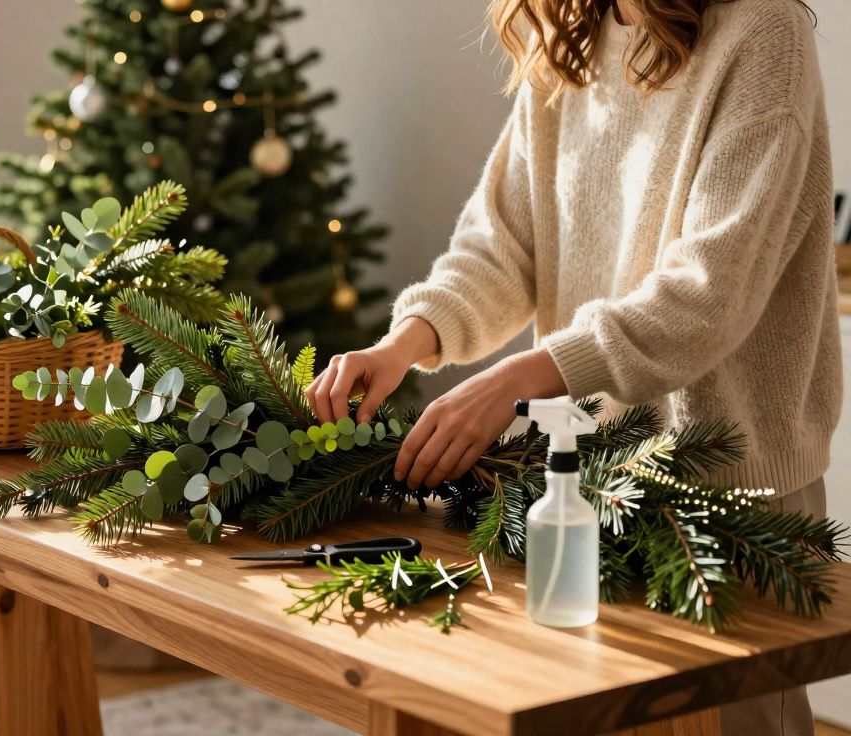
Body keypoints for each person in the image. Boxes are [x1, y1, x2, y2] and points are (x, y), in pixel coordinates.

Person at [306, 0, 839, 733]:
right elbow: (502, 247)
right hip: (577, 474)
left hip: (729, 483)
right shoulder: (569, 31)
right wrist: (406, 342)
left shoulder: (763, 30)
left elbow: (710, 292)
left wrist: (517, 379)